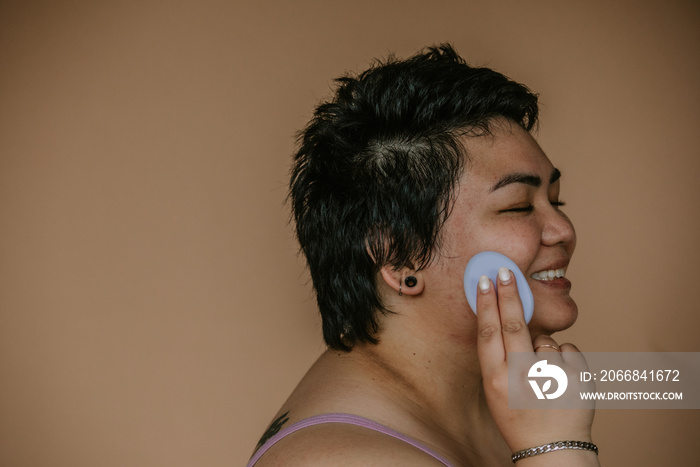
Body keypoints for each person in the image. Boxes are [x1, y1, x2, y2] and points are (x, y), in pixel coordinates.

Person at [247, 44, 599, 466]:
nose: (564, 231)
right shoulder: (344, 460)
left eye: (556, 201)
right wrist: (559, 449)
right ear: (399, 257)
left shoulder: (512, 398)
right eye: (520, 206)